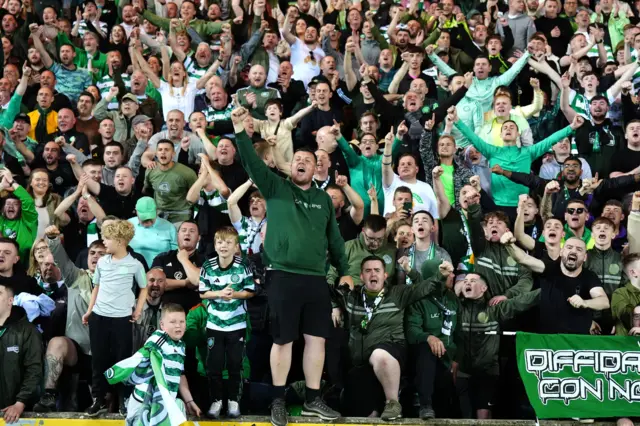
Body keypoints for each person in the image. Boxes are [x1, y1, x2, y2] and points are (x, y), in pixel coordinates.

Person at [231, 106, 351, 426]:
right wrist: (240, 131)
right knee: (282, 340)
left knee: (317, 339)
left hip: (315, 277)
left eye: (308, 161)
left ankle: (313, 399)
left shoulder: (324, 200)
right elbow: (251, 161)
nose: (301, 162)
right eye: (297, 158)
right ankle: (278, 400)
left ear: (316, 169)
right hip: (282, 274)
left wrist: (347, 270)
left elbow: (336, 241)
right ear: (290, 164)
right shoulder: (275, 187)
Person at [340, 256, 453, 420]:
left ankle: (392, 402)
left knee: (381, 355)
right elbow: (327, 293)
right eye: (368, 271)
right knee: (364, 409)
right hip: (362, 360)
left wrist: (439, 275)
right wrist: (336, 305)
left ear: (385, 275)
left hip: (392, 348)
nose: (373, 274)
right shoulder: (352, 297)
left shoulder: (397, 293)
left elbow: (424, 288)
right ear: (362, 276)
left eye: (377, 270)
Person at [33, 226, 106, 413]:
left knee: (107, 404)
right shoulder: (76, 276)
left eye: (101, 253)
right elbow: (61, 260)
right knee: (57, 343)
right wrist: (53, 239)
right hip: (78, 348)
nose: (95, 256)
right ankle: (49, 395)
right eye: (92, 252)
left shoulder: (118, 281)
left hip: (106, 351)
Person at [82, 220, 148, 416]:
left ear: (120, 241)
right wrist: (89, 311)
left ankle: (123, 399)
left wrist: (138, 310)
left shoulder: (135, 265)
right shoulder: (102, 262)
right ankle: (98, 399)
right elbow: (97, 287)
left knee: (122, 360)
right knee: (98, 360)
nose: (103, 242)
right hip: (99, 317)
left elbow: (143, 287)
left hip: (122, 319)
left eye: (107, 239)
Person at [106, 303, 202, 424]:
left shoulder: (181, 346)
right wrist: (118, 372)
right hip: (144, 401)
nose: (178, 325)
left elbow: (180, 375)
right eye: (173, 322)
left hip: (164, 403)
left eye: (182, 321)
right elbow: (140, 357)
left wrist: (189, 401)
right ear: (162, 325)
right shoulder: (158, 338)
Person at [504, 232, 609, 334]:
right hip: (547, 338)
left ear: (585, 257)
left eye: (579, 249)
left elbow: (604, 301)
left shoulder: (589, 276)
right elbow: (523, 258)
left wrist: (585, 303)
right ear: (561, 252)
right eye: (569, 247)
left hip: (576, 341)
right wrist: (509, 245)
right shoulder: (549, 268)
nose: (573, 251)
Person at [198, 226, 255, 418]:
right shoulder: (207, 266)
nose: (224, 246)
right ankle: (216, 401)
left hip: (237, 325)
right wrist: (220, 294)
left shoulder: (243, 265)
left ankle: (233, 401)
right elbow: (202, 292)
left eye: (228, 242)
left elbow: (250, 291)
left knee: (235, 364)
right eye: (220, 242)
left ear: (236, 246)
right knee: (213, 364)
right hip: (214, 324)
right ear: (214, 245)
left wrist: (235, 294)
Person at [0, 280, 43, 424]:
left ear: (10, 301)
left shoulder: (28, 331)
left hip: (16, 412)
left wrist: (20, 403)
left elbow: (34, 369)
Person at [327, 214, 397, 287]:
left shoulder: (393, 251)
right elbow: (331, 275)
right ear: (363, 231)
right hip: (352, 293)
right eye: (370, 238)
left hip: (383, 294)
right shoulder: (348, 247)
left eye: (379, 239)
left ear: (385, 232)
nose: (375, 243)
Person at [151, 220, 203, 313]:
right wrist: (185, 283)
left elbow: (196, 280)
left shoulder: (205, 260)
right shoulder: (162, 257)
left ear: (199, 238)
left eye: (192, 231)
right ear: (177, 235)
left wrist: (184, 259)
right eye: (183, 230)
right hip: (167, 313)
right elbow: (156, 285)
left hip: (196, 314)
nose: (187, 233)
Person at [143, 139, 198, 224]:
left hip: (181, 215)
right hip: (159, 214)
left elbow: (197, 195)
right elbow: (147, 190)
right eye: (160, 150)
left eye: (167, 150)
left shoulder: (187, 173)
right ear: (156, 154)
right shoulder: (150, 170)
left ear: (173, 153)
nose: (163, 152)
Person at [0, 169, 38, 261]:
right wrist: (2, 186)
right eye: (8, 204)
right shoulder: (1, 220)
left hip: (26, 268)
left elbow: (28, 201)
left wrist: (11, 181)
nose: (11, 206)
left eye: (15, 204)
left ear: (21, 208)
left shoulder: (29, 220)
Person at [128, 197, 178, 267]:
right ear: (136, 212)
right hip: (132, 268)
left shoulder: (169, 227)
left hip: (161, 269)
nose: (148, 220)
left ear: (156, 211)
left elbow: (175, 254)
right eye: (144, 218)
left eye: (150, 217)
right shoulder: (128, 225)